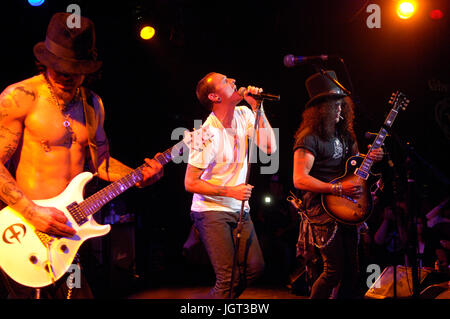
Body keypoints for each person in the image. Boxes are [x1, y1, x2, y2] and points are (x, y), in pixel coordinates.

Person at [0, 12, 163, 298]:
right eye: (60, 68)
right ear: (46, 61)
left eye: (76, 69)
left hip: (68, 233)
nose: (67, 76)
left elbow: (100, 163)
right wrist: (33, 212)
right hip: (25, 232)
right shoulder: (19, 97)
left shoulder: (92, 104)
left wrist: (138, 176)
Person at [184, 72, 277, 298]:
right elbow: (190, 182)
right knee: (227, 279)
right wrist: (230, 191)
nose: (234, 81)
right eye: (226, 81)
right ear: (215, 97)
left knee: (255, 268)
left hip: (238, 209)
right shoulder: (207, 134)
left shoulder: (244, 114)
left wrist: (258, 108)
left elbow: (269, 148)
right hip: (210, 211)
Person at [292, 70, 384, 299]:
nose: (340, 109)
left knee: (351, 272)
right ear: (321, 108)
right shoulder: (309, 137)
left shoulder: (346, 136)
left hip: (347, 206)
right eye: (335, 105)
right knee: (333, 271)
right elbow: (300, 178)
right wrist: (335, 188)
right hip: (322, 208)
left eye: (342, 105)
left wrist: (370, 158)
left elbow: (352, 169)